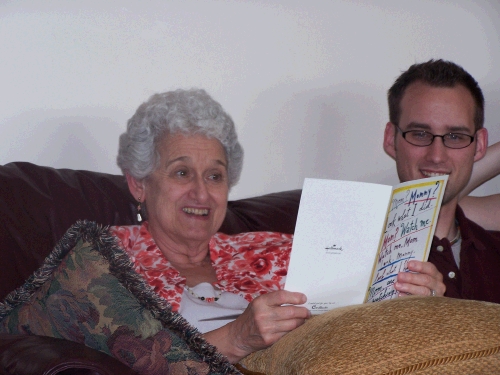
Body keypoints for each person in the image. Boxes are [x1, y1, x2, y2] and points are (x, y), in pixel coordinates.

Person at [113, 88, 444, 364]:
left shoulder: (275, 250)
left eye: (215, 176)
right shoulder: (103, 258)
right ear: (139, 183)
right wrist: (235, 338)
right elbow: (115, 364)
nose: (201, 193)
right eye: (182, 173)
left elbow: (352, 317)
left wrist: (412, 297)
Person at [384, 59, 500, 303]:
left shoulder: (492, 247)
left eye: (455, 136)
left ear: (479, 145)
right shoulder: (354, 250)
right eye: (420, 134)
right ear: (391, 139)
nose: (436, 156)